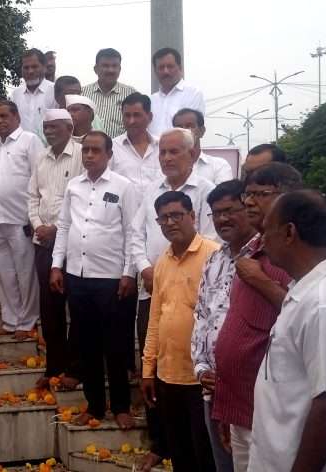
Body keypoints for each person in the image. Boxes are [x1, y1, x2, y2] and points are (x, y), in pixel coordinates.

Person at [130, 128, 215, 471]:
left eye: (174, 151)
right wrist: (145, 268)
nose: (166, 158)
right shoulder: (152, 191)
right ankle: (160, 445)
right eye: (162, 152)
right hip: (155, 288)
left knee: (203, 447)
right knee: (179, 446)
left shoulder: (206, 193)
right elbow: (135, 233)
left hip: (201, 372)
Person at [212, 162, 301, 471]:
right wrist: (226, 408)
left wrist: (261, 281)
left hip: (275, 416)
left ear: (288, 197)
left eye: (260, 194)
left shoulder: (298, 253)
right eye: (246, 194)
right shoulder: (248, 250)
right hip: (239, 407)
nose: (249, 202)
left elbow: (306, 313)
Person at [50, 130, 138, 431]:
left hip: (111, 278)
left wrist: (129, 272)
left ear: (109, 154)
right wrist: (56, 266)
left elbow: (132, 232)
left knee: (115, 345)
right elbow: (64, 227)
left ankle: (121, 406)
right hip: (77, 275)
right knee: (86, 343)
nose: (89, 155)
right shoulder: (74, 186)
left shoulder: (124, 187)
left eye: (96, 150)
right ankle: (95, 406)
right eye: (85, 150)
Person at [248, 190, 326, 472]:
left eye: (266, 230)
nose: (261, 240)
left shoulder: (322, 303)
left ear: (289, 232)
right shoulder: (304, 288)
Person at [142, 191, 219, 472]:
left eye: (176, 215)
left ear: (193, 216)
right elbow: (155, 318)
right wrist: (148, 369)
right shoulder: (162, 261)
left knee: (205, 454)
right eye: (163, 218)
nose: (170, 222)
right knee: (180, 453)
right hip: (168, 374)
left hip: (202, 378)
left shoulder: (213, 255)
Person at [191, 180, 257, 472]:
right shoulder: (214, 260)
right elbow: (201, 317)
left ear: (248, 208)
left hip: (249, 392)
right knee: (224, 464)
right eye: (216, 213)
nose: (222, 219)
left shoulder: (265, 258)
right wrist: (201, 368)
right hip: (213, 389)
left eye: (230, 210)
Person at [28, 109, 83, 391]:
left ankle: (76, 368)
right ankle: (54, 367)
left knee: (77, 307)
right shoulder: (42, 158)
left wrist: (57, 229)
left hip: (74, 243)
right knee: (50, 310)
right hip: (44, 244)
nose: (49, 132)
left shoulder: (82, 155)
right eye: (46, 127)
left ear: (69, 128)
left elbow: (83, 200)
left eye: (55, 127)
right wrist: (39, 226)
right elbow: (32, 197)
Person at [0, 100, 44, 339]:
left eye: (4, 116)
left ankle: (28, 321)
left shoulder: (29, 140)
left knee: (25, 271)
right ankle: (10, 319)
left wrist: (35, 216)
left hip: (20, 217)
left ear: (16, 117)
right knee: (3, 272)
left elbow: (39, 178)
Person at [110, 92, 162, 191]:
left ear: (150, 117)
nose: (131, 121)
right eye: (127, 116)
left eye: (137, 115)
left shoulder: (162, 146)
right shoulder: (112, 148)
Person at [82, 48, 137, 139]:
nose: (110, 70)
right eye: (105, 66)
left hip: (120, 147)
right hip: (88, 147)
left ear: (119, 69)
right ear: (96, 69)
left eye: (114, 66)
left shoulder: (131, 94)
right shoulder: (83, 94)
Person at [149, 48, 205, 136]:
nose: (166, 71)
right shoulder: (151, 101)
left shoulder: (193, 94)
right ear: (155, 71)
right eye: (161, 67)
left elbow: (192, 132)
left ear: (180, 68)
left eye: (170, 66)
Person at [172, 108, 233, 184]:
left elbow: (225, 192)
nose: (184, 131)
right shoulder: (165, 168)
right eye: (179, 128)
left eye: (189, 126)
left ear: (202, 131)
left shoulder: (219, 166)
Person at [9, 48, 57, 140]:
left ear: (44, 68)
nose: (30, 71)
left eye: (35, 67)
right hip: (21, 147)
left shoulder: (55, 91)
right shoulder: (16, 94)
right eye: (26, 68)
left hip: (48, 148)